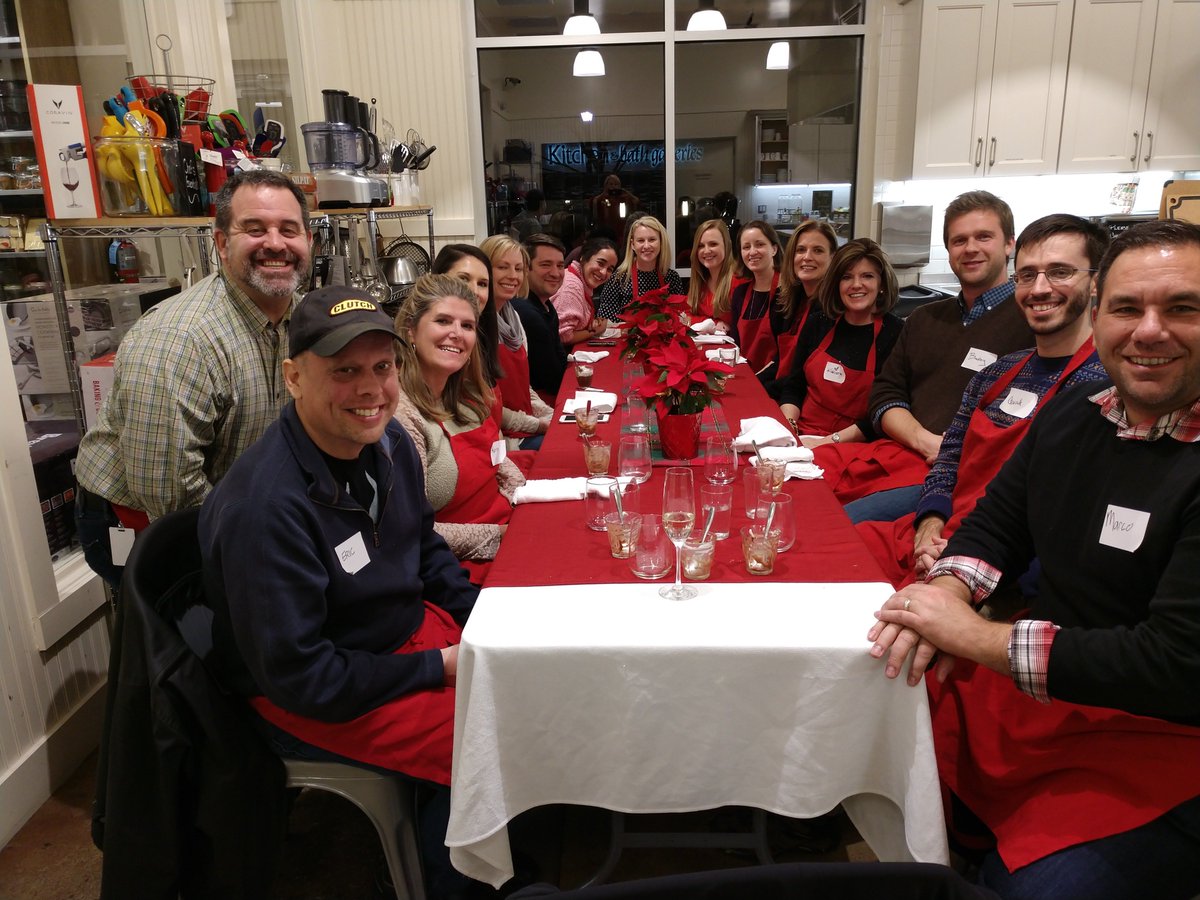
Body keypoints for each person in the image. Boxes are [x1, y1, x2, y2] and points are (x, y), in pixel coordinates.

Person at [869, 220, 1200, 900]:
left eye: (1183, 309)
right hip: (1065, 707)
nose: (1149, 331)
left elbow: (1175, 664)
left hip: (1172, 742)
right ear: (1100, 312)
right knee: (894, 705)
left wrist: (976, 635)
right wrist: (948, 593)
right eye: (1129, 308)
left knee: (1032, 886)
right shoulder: (1078, 407)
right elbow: (997, 521)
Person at [199, 285, 480, 897]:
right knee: (483, 742)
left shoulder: (388, 444)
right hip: (313, 692)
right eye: (345, 371)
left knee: (516, 689)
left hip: (395, 638)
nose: (371, 389)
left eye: (382, 368)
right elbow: (304, 678)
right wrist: (438, 668)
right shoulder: (266, 508)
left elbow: (424, 547)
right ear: (294, 376)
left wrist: (482, 619)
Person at [74, 169, 311, 587]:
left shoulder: (303, 317)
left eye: (288, 230)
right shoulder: (180, 339)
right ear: (221, 243)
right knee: (182, 638)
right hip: (138, 517)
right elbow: (167, 492)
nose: (275, 244)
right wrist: (257, 548)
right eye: (254, 229)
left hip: (234, 503)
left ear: (308, 241)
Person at [857, 214, 1110, 589]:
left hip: (998, 567)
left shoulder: (1104, 387)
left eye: (1060, 272)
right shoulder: (996, 373)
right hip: (944, 534)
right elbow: (950, 459)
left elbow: (1063, 524)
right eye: (1027, 275)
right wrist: (930, 524)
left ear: (1095, 283)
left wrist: (959, 561)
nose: (1040, 288)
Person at [823, 191, 1033, 523]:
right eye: (959, 240)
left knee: (833, 525)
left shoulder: (1030, 322)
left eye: (983, 237)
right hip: (893, 455)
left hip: (949, 478)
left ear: (1009, 244)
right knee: (793, 490)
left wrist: (943, 453)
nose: (971, 248)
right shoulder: (924, 319)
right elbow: (885, 393)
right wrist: (924, 440)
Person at [393, 275, 524, 586]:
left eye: (467, 326)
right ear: (411, 330)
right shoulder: (400, 412)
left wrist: (525, 506)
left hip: (507, 532)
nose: (456, 334)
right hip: (456, 566)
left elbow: (501, 462)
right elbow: (412, 530)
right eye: (443, 321)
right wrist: (503, 535)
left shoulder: (465, 395)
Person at [776, 239, 905, 448]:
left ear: (881, 284)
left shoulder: (896, 333)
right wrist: (789, 427)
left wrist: (826, 442)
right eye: (846, 277)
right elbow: (794, 386)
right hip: (801, 433)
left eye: (867, 276)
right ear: (836, 284)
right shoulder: (819, 322)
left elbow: (883, 414)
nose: (856, 284)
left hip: (853, 445)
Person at [480, 234, 554, 449]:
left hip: (525, 425)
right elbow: (489, 407)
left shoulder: (513, 318)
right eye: (502, 267)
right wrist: (538, 425)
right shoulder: (476, 326)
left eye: (519, 269)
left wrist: (552, 415)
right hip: (502, 437)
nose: (513, 276)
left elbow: (524, 387)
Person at [771, 220, 840, 386]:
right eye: (800, 250)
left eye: (818, 250)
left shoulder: (833, 310)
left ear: (833, 257)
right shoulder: (788, 299)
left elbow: (804, 379)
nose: (807, 257)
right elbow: (779, 360)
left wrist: (762, 391)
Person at [513, 233, 569, 403]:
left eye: (560, 266)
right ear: (525, 269)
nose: (556, 273)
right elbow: (554, 381)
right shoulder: (528, 313)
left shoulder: (545, 304)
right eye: (545, 265)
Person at [595, 216, 685, 321]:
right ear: (633, 244)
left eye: (652, 240)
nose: (646, 246)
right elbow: (605, 321)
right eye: (641, 240)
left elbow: (680, 317)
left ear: (661, 242)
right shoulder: (618, 278)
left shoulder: (672, 277)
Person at [728, 219, 785, 376]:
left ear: (774, 249)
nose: (752, 252)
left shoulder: (788, 294)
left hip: (774, 382)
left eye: (759, 244)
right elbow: (735, 343)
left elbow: (785, 356)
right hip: (743, 375)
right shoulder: (740, 293)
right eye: (746, 247)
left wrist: (755, 380)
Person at [552, 236, 618, 346]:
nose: (603, 272)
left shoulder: (580, 282)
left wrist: (591, 324)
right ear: (583, 258)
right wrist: (596, 330)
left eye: (610, 269)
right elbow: (564, 336)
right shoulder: (571, 287)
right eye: (600, 263)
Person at [685, 218, 741, 329]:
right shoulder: (700, 281)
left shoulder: (738, 282)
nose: (706, 251)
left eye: (713, 244)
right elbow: (686, 316)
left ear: (726, 246)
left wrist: (704, 324)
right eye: (701, 246)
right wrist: (715, 323)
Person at [591, 174, 639, 248]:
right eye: (610, 184)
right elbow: (594, 204)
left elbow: (636, 201)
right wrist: (604, 192)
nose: (613, 186)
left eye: (616, 184)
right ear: (606, 185)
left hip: (621, 230)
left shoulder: (624, 198)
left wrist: (625, 192)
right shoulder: (601, 199)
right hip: (606, 232)